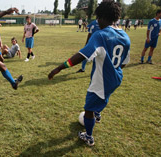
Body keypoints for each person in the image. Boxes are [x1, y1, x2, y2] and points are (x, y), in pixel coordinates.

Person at [48, 1, 130, 146]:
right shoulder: (125, 35)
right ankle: (97, 114)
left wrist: (59, 68)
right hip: (117, 78)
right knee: (105, 96)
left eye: (98, 18)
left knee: (88, 108)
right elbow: (124, 61)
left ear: (102, 17)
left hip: (101, 82)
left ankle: (89, 136)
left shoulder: (101, 35)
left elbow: (81, 56)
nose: (97, 21)